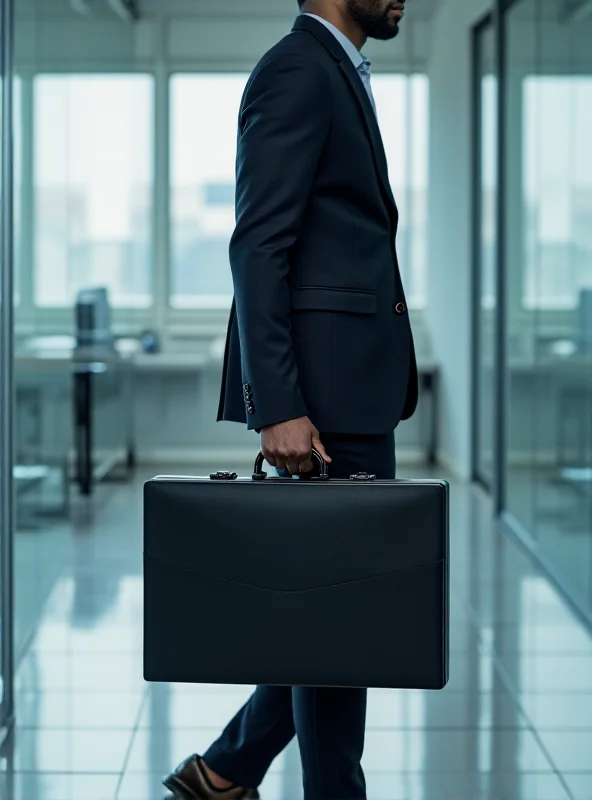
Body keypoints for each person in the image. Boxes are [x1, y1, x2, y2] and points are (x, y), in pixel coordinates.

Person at [164, 0, 417, 797]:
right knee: (344, 621)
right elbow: (258, 241)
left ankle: (225, 770)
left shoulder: (333, 66)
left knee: (334, 615)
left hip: (351, 392)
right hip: (325, 402)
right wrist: (277, 404)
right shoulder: (298, 68)